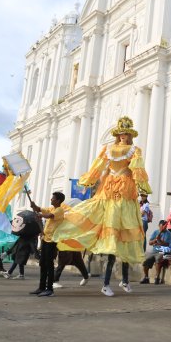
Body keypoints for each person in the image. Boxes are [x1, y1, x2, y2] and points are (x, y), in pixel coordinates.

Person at [52, 116, 151, 297]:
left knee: (126, 237)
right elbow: (99, 167)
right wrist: (88, 181)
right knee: (112, 241)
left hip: (126, 195)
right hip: (109, 193)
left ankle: (125, 280)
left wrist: (142, 186)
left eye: (126, 133)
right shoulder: (108, 149)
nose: (123, 136)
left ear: (130, 135)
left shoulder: (135, 150)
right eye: (121, 133)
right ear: (117, 134)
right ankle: (106, 284)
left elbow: (138, 169)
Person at [29, 192, 66, 297]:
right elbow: (39, 209)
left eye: (53, 198)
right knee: (43, 264)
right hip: (45, 240)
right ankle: (41, 287)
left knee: (49, 265)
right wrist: (34, 205)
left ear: (58, 200)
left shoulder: (59, 210)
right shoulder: (51, 208)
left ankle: (49, 289)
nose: (51, 199)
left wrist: (40, 215)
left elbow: (49, 216)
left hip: (52, 242)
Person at [140, 220, 171, 285]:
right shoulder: (155, 232)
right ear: (159, 226)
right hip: (154, 251)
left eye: (165, 226)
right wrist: (155, 240)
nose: (165, 227)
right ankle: (146, 278)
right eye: (163, 226)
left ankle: (157, 277)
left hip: (162, 251)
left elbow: (166, 244)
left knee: (158, 259)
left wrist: (159, 240)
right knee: (145, 260)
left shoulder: (168, 233)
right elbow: (150, 242)